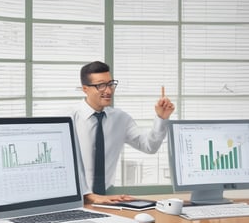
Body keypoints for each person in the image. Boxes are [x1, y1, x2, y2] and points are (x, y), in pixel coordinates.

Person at [71, 61, 175, 204]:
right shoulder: (68, 118)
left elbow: (149, 146)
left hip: (109, 200)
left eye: (110, 84)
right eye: (101, 85)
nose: (108, 91)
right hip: (74, 200)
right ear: (85, 89)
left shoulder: (121, 119)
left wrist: (161, 118)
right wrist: (88, 196)